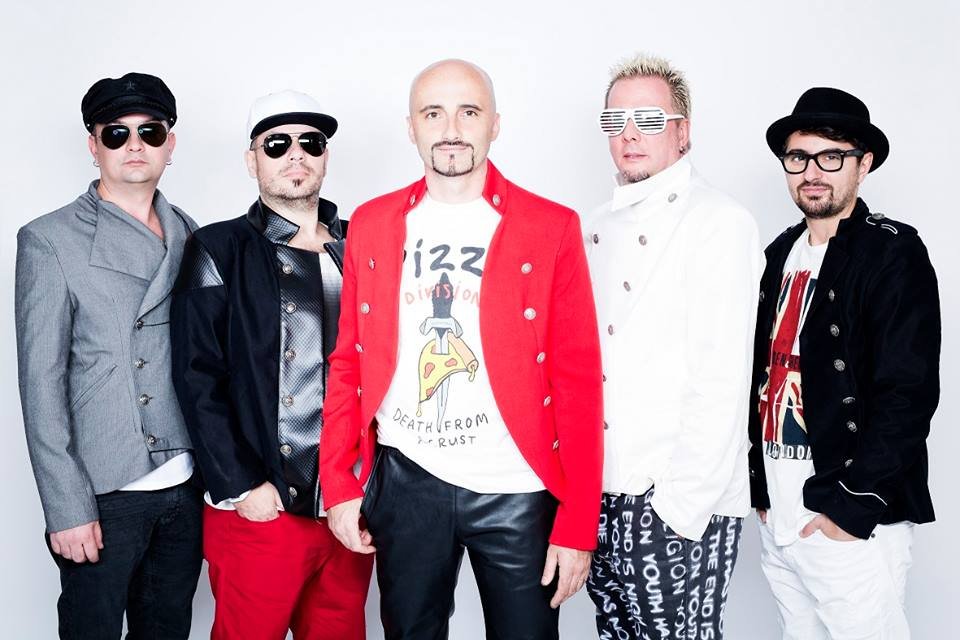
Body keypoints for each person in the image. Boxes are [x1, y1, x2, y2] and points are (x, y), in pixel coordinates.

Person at [320, 59, 603, 639]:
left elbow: (578, 379)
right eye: (434, 113)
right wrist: (340, 485)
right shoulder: (372, 223)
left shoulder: (550, 226)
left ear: (494, 124)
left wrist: (578, 524)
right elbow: (348, 361)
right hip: (406, 479)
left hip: (517, 485)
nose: (451, 129)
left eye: (468, 112)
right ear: (411, 127)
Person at [170, 90, 373, 640]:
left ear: (325, 156)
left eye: (311, 142)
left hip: (348, 501)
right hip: (263, 504)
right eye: (277, 144)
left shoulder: (361, 245)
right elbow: (195, 374)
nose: (295, 154)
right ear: (251, 159)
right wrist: (243, 484)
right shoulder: (218, 247)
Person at [15, 72, 202, 639]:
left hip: (185, 483)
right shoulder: (49, 240)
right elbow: (40, 385)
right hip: (103, 489)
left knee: (167, 630)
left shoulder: (191, 232)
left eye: (150, 131)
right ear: (93, 145)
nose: (135, 145)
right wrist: (66, 507)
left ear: (170, 143)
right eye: (116, 133)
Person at [749, 86, 941, 640]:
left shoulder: (892, 253)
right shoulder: (778, 254)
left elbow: (908, 392)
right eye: (799, 157)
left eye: (831, 156)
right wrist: (763, 493)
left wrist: (851, 508)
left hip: (848, 515)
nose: (812, 172)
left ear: (864, 163)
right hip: (781, 514)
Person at [583, 53, 762, 639]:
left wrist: (677, 509)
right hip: (603, 493)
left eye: (649, 119)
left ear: (683, 132)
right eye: (615, 121)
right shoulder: (594, 226)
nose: (630, 134)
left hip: (678, 498)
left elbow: (722, 377)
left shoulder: (719, 222)